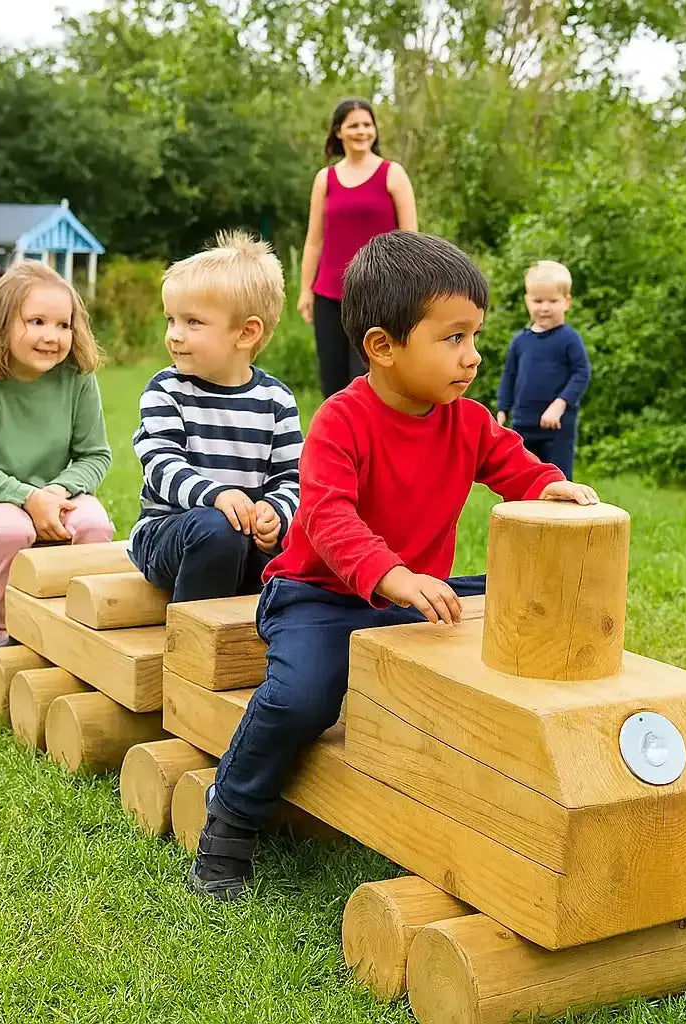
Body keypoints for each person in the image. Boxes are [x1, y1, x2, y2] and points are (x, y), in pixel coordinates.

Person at [186, 230, 600, 902]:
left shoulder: (464, 421)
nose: (471, 357)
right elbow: (327, 517)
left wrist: (547, 483)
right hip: (319, 597)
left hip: (407, 598)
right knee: (301, 698)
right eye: (453, 338)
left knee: (514, 612)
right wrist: (393, 575)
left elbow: (511, 463)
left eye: (474, 337)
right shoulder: (342, 421)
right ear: (382, 346)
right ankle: (229, 822)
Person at [0, 261, 115, 676]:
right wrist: (28, 497)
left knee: (95, 525)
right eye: (36, 321)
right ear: (4, 323)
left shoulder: (77, 379)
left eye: (62, 324)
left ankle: (77, 624)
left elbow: (96, 454)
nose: (51, 336)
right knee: (11, 530)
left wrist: (56, 492)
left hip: (58, 492)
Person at [128, 231, 303, 603]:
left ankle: (265, 634)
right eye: (170, 320)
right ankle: (194, 638)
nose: (174, 335)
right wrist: (217, 495)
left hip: (244, 537)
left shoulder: (276, 400)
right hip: (170, 533)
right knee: (218, 528)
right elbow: (160, 466)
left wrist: (276, 512)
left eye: (192, 322)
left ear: (246, 332)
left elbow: (293, 478)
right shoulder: (166, 390)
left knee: (298, 543)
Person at [297, 97, 418, 399]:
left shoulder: (393, 174)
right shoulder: (325, 179)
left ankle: (369, 444)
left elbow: (411, 239)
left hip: (378, 295)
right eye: (353, 126)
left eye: (367, 125)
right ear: (338, 132)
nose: (361, 131)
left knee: (366, 380)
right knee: (333, 381)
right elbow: (314, 241)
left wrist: (410, 289)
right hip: (329, 295)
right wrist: (305, 291)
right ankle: (335, 444)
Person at [495, 260, 591, 480]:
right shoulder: (520, 341)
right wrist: (502, 409)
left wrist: (560, 404)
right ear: (527, 301)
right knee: (523, 480)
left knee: (558, 483)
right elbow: (509, 376)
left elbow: (582, 373)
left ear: (566, 302)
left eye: (553, 301)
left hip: (557, 429)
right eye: (538, 300)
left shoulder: (569, 339)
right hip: (523, 425)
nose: (545, 307)